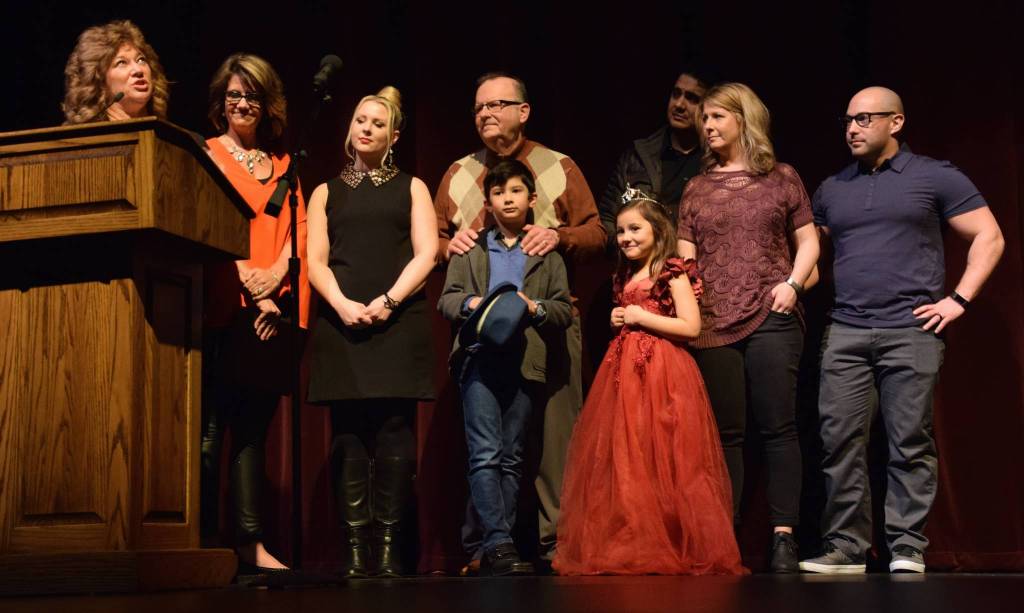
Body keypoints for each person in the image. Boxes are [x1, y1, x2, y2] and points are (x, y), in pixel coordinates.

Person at [799, 87, 1004, 574]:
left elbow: (989, 236)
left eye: (865, 119)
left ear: (896, 122)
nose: (852, 128)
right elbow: (810, 261)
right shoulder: (832, 188)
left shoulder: (934, 176)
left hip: (910, 330)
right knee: (839, 439)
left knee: (909, 439)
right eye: (848, 119)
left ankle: (907, 546)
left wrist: (958, 300)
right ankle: (847, 547)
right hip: (846, 331)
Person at [434, 72, 604, 572]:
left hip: (547, 323)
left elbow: (600, 231)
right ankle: (488, 543)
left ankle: (556, 543)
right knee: (487, 445)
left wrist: (561, 238)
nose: (486, 113)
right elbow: (432, 245)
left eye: (498, 104)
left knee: (553, 442)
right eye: (479, 107)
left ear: (524, 112)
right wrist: (449, 247)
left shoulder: (558, 166)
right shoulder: (459, 173)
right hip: (484, 333)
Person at [554, 193, 745, 576]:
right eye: (621, 231)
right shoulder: (624, 275)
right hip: (623, 375)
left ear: (658, 232)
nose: (625, 237)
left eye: (635, 229)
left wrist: (641, 316)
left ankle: (673, 541)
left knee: (668, 455)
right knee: (629, 455)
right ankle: (633, 540)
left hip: (664, 372)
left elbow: (690, 327)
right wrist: (620, 318)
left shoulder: (672, 273)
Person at [677, 82, 819, 572]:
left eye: (718, 117)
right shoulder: (697, 187)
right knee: (725, 434)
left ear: (744, 119)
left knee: (778, 427)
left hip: (772, 314)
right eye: (705, 120)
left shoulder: (781, 178)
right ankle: (726, 536)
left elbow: (808, 243)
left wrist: (794, 286)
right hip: (714, 323)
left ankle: (783, 535)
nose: (708, 126)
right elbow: (684, 261)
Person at [306, 86, 438, 578]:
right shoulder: (325, 192)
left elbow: (427, 253)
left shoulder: (412, 187)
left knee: (394, 431)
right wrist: (341, 304)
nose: (366, 128)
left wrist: (388, 302)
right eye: (360, 120)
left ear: (393, 136)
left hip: (397, 322)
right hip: (341, 324)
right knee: (349, 435)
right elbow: (316, 261)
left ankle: (387, 548)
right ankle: (356, 550)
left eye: (377, 124)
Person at [199, 53, 309, 575]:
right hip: (224, 306)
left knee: (252, 431)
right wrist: (251, 280)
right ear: (221, 101)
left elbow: (298, 233)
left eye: (253, 96)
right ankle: (198, 539)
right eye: (234, 94)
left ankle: (249, 542)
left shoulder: (284, 166)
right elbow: (204, 223)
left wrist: (279, 281)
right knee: (209, 431)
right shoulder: (207, 155)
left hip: (273, 309)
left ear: (268, 106)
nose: (242, 103)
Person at [439, 159, 573, 576]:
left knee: (513, 458)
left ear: (531, 199)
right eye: (498, 193)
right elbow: (447, 299)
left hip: (524, 362)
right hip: (480, 358)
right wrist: (471, 304)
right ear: (488, 201)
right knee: (485, 452)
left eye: (515, 191)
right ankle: (496, 542)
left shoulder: (545, 253)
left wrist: (533, 308)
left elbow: (564, 310)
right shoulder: (472, 247)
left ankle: (493, 544)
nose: (507, 199)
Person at [599, 70, 710, 250]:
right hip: (640, 270)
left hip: (694, 270)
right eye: (676, 94)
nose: (679, 104)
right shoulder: (638, 156)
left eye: (692, 98)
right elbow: (607, 220)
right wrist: (634, 255)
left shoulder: (715, 161)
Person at [62, 19, 169, 124]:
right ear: (100, 81)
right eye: (122, 63)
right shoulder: (85, 139)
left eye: (141, 60)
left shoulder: (168, 137)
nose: (138, 70)